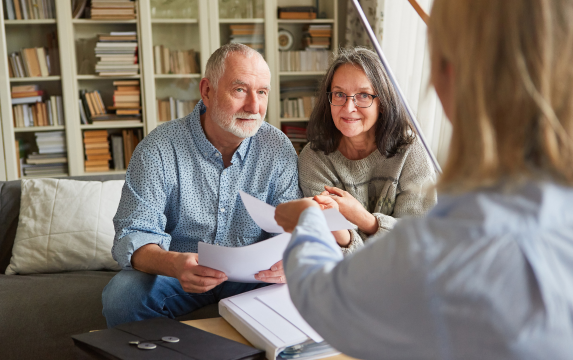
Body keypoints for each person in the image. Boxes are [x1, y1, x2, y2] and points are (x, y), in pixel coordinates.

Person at [276, 0, 573, 358]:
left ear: (446, 74)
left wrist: (309, 221)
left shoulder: (438, 249)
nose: (348, 106)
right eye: (339, 95)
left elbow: (323, 298)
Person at [102, 43, 301, 328]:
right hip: (177, 273)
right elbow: (133, 234)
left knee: (303, 288)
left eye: (262, 92)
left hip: (254, 276)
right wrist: (174, 265)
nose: (254, 107)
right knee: (122, 297)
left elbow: (292, 226)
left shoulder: (277, 147)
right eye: (240, 90)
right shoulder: (159, 147)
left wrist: (289, 258)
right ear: (207, 91)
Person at [299, 47, 436, 254]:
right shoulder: (313, 159)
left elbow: (420, 239)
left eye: (363, 95)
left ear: (382, 103)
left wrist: (364, 219)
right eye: (339, 94)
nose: (348, 107)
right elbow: (328, 248)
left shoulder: (410, 150)